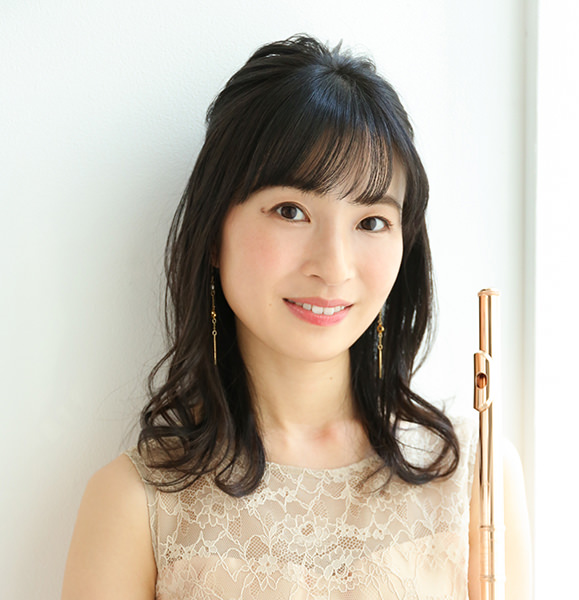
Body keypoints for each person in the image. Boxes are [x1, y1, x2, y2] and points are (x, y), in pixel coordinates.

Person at [61, 35, 531, 599]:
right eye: (291, 211)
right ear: (214, 232)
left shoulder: (474, 475)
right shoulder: (135, 504)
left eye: (372, 222)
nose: (333, 267)